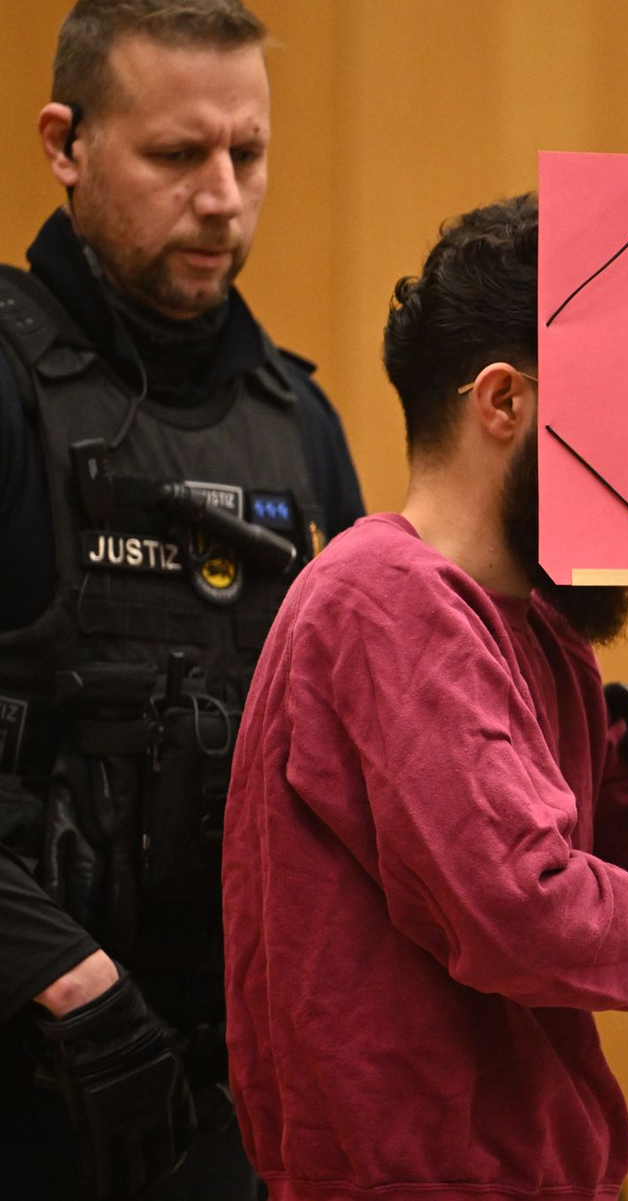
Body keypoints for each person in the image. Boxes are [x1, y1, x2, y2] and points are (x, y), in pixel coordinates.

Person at [222, 193, 628, 1200]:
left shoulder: (532, 629)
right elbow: (523, 905)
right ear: (503, 402)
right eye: (626, 401)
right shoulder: (384, 598)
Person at [0, 2, 365, 1197]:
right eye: (176, 155)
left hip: (223, 1104)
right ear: (66, 144)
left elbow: (382, 733)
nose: (221, 198)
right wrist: (72, 984)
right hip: (34, 1056)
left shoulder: (299, 427)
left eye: (246, 154)